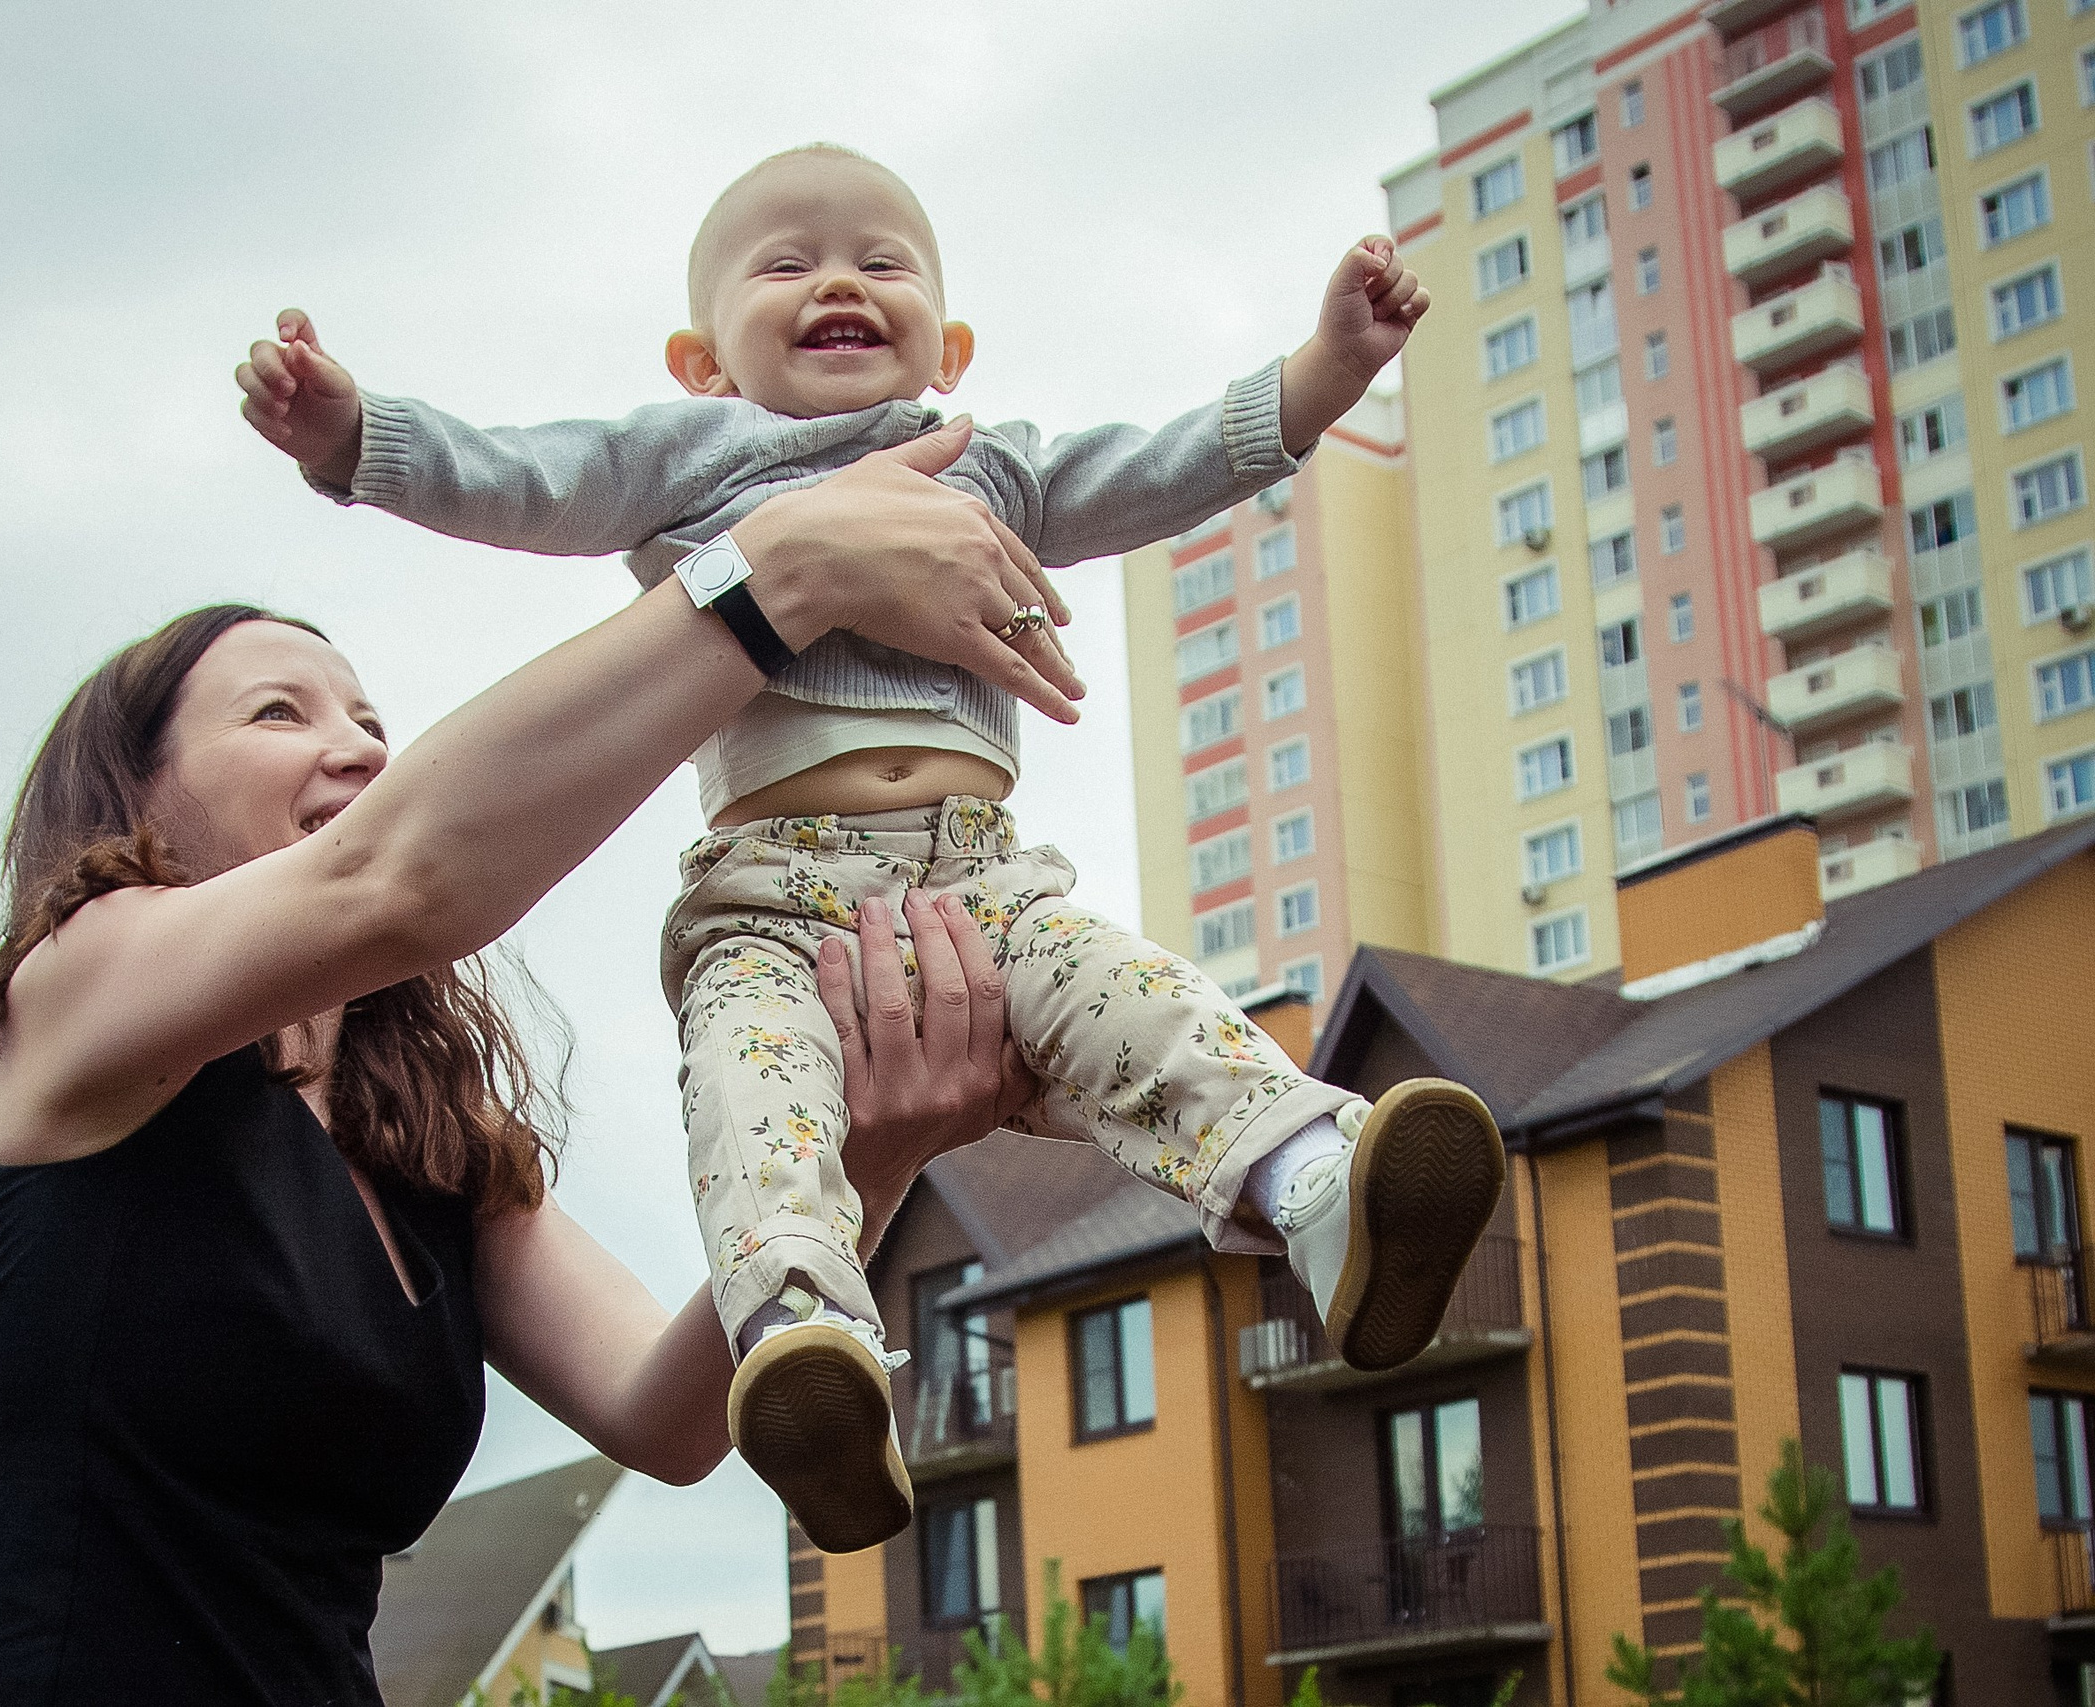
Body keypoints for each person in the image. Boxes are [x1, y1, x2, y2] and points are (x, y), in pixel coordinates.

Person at [233, 142, 1509, 1558]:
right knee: (755, 1088)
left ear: (948, 348)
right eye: (785, 263)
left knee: (1136, 1002)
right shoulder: (689, 460)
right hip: (772, 900)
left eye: (880, 261)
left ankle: (1315, 1183)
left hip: (982, 881)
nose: (836, 280)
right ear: (702, 362)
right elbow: (524, 478)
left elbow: (1163, 468)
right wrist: (354, 439)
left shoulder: (991, 467)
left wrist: (1326, 371)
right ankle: (804, 1337)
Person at [0, 439, 1084, 1707]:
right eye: (279, 713)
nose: (359, 751)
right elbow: (401, 878)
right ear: (137, 793)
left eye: (371, 723)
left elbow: (668, 1419)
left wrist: (871, 1155)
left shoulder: (428, 1149)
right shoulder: (76, 993)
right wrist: (780, 572)